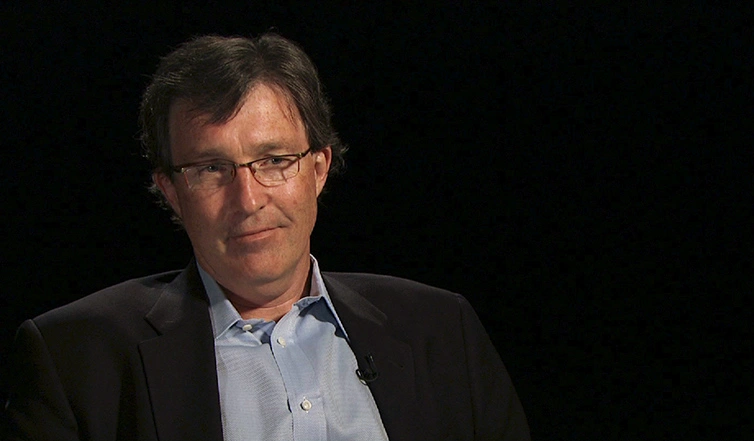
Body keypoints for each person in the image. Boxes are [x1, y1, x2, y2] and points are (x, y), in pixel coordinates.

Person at [2, 33, 530, 441]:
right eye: (211, 168)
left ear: (319, 170)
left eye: (275, 161)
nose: (248, 199)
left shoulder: (441, 330)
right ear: (170, 192)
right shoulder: (76, 356)